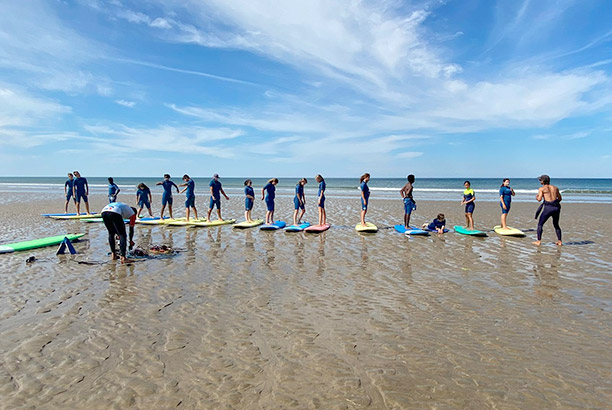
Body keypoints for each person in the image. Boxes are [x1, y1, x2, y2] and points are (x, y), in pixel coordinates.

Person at [533, 175, 562, 246]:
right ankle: (560, 241)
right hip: (556, 207)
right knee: (556, 224)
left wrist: (537, 197)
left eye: (540, 180)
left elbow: (539, 199)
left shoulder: (541, 189)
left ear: (543, 181)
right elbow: (560, 198)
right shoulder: (555, 188)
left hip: (548, 208)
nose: (540, 182)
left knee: (540, 224)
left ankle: (538, 241)